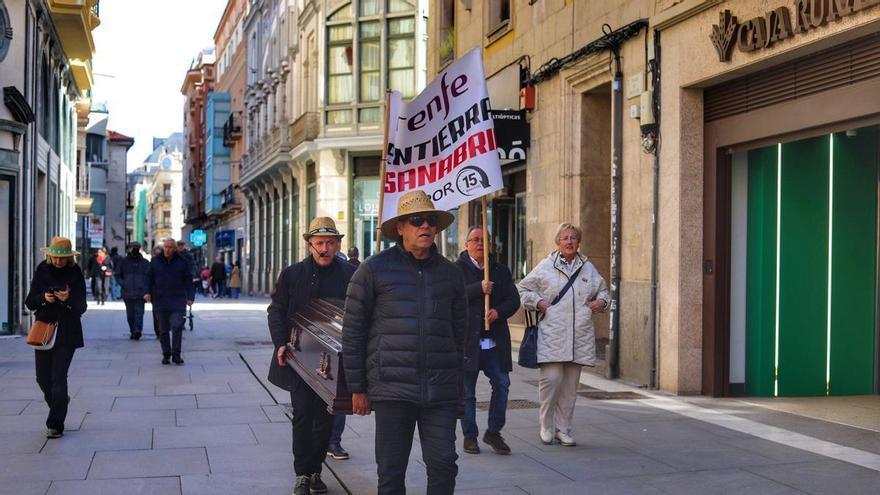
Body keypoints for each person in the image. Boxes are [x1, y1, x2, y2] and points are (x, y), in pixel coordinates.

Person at [343, 190, 467, 495]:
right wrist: (357, 387)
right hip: (392, 389)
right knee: (391, 471)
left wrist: (457, 383)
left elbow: (461, 332)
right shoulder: (373, 269)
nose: (425, 226)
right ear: (400, 227)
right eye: (416, 220)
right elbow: (353, 330)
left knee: (444, 465)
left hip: (439, 391)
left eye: (430, 221)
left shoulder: (451, 274)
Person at [267, 217, 357, 495]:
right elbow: (276, 311)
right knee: (303, 416)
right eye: (319, 243)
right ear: (309, 245)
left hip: (335, 363)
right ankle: (302, 474)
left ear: (338, 244)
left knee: (325, 419)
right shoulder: (293, 274)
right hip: (299, 359)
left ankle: (316, 469)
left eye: (330, 242)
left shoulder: (351, 274)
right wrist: (281, 343)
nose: (324, 248)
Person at [517, 223, 609, 447]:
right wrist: (539, 302)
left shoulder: (588, 268)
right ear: (557, 242)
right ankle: (546, 425)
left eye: (574, 238)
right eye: (565, 238)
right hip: (552, 334)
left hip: (579, 335)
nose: (569, 241)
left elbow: (604, 292)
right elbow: (522, 289)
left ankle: (563, 428)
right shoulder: (546, 266)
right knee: (551, 381)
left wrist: (601, 302)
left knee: (569, 387)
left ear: (579, 242)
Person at [455, 225, 520, 455]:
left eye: (484, 239)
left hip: (494, 342)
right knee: (467, 392)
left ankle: (494, 431)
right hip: (467, 342)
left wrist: (498, 312)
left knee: (502, 384)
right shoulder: (455, 270)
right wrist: (477, 288)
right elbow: (450, 298)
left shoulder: (500, 270)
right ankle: (469, 436)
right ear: (466, 244)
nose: (480, 244)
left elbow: (514, 300)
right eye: (475, 239)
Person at [25, 237, 87, 438]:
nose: (59, 262)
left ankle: (55, 424)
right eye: (55, 258)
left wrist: (67, 299)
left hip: (67, 331)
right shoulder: (42, 270)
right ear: (49, 255)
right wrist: (44, 298)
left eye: (63, 258)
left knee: (58, 378)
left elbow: (81, 307)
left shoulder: (75, 273)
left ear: (69, 258)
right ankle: (60, 403)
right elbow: (30, 302)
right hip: (44, 329)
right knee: (42, 378)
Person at [146, 239, 195, 365]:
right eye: (165, 247)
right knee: (163, 329)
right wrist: (147, 292)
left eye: (170, 247)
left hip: (177, 299)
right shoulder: (155, 261)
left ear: (174, 249)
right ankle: (166, 354)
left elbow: (188, 281)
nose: (167, 250)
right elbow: (149, 278)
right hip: (160, 300)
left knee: (177, 326)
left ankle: (176, 354)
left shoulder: (182, 262)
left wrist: (190, 297)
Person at [115, 242, 150, 340]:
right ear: (129, 249)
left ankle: (137, 330)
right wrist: (124, 283)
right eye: (132, 248)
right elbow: (117, 275)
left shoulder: (145, 263)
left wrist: (146, 289)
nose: (134, 250)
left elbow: (149, 277)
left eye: (136, 248)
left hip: (140, 293)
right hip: (128, 292)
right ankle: (132, 330)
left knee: (139, 313)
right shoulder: (123, 262)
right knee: (130, 314)